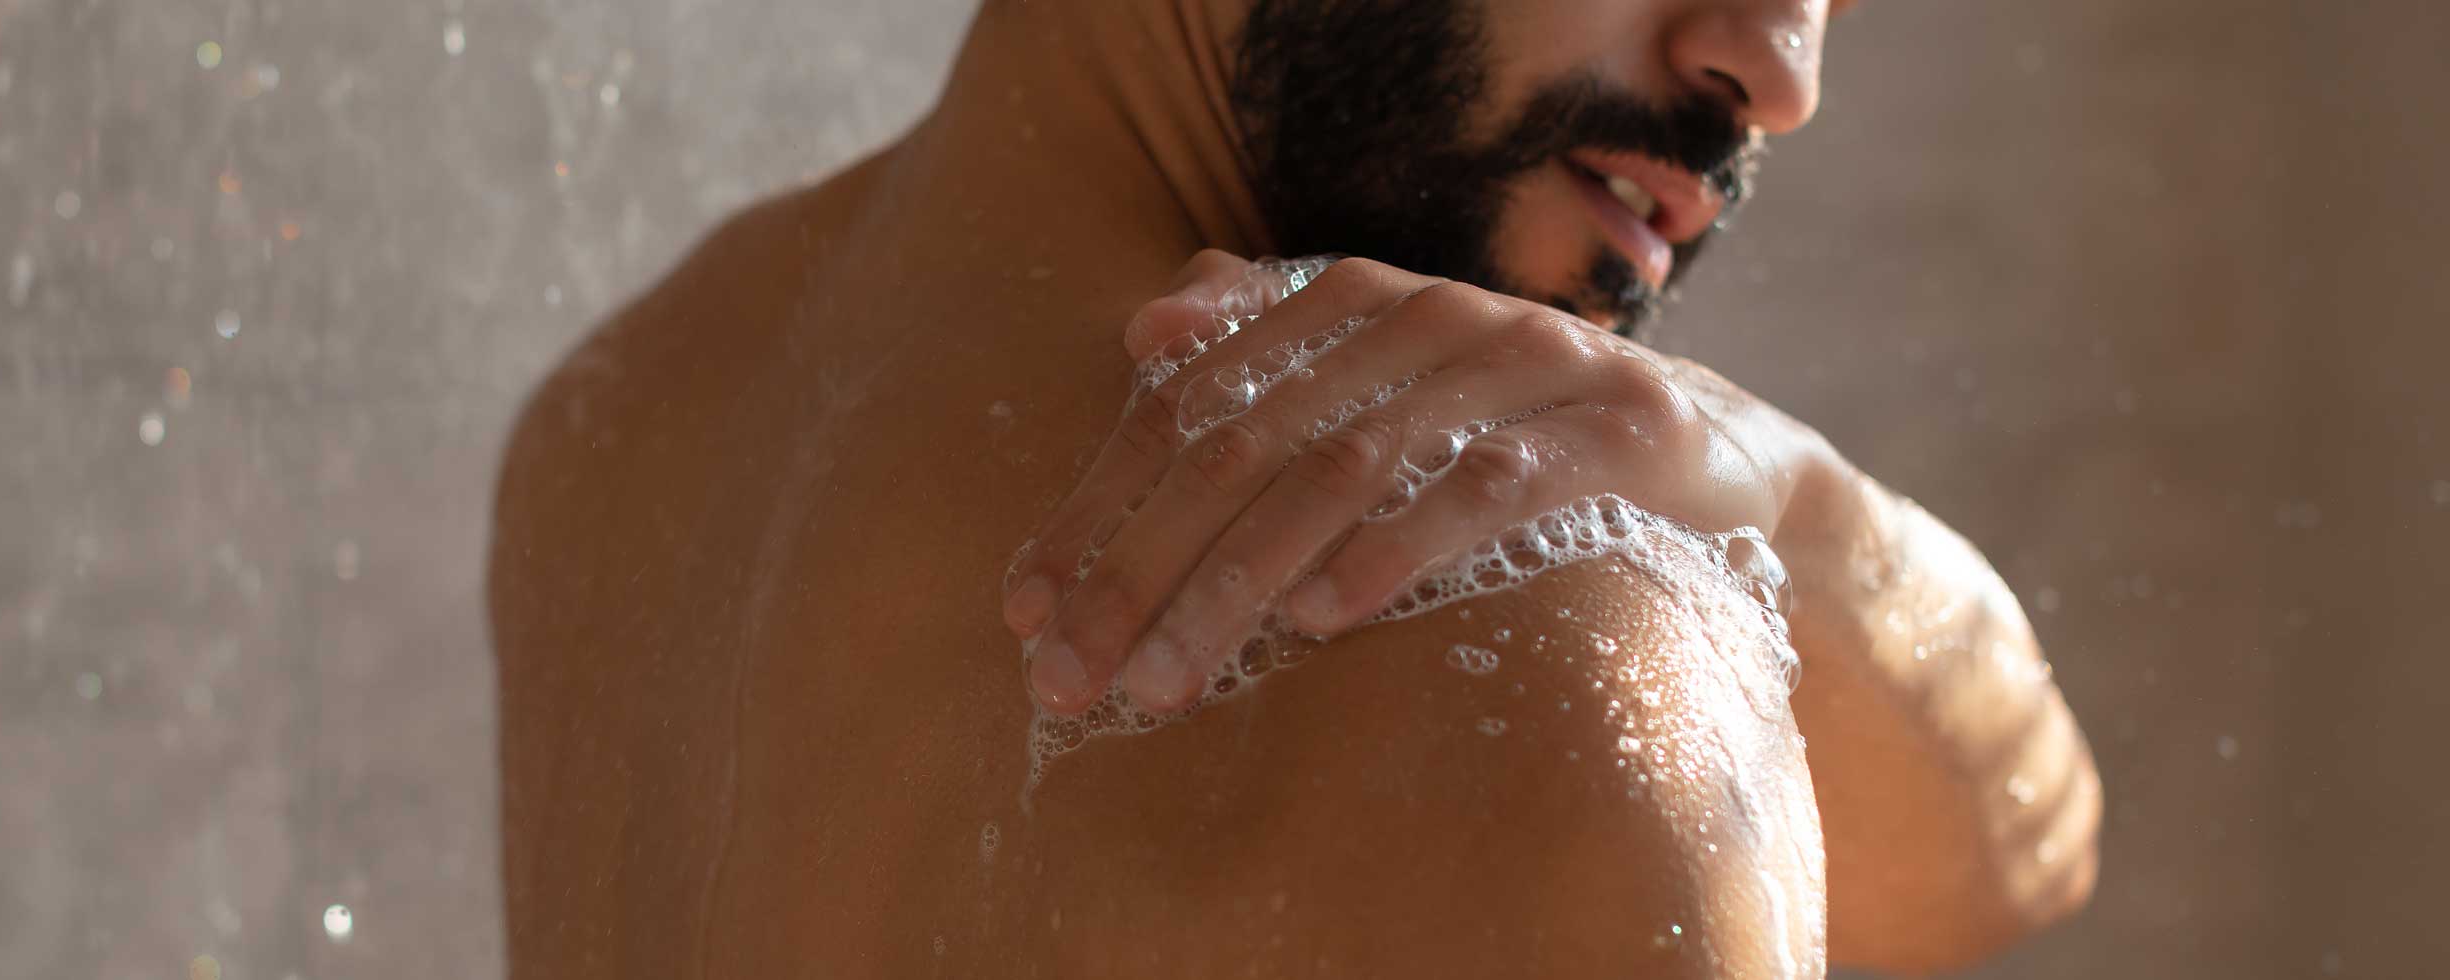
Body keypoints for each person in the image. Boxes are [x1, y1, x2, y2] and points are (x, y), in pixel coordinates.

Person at [488, 0, 2101, 975]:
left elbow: (2010, 858)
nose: (1781, 61)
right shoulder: (1543, 656)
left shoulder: (620, 426)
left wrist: (1781, 494)